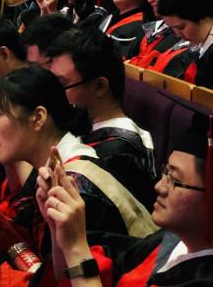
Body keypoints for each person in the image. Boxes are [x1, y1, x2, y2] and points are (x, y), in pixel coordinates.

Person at [0, 67, 156, 286]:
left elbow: (61, 282)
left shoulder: (77, 187)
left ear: (38, 118)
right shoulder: (49, 167)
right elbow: (5, 243)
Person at [34, 116, 213, 287]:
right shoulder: (169, 243)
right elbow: (69, 278)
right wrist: (58, 224)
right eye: (166, 172)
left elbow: (81, 265)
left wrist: (76, 247)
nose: (159, 186)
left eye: (175, 181)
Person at [46, 27, 157, 209]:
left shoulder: (117, 154)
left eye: (62, 84)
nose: (53, 93)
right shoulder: (83, 122)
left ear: (100, 87)